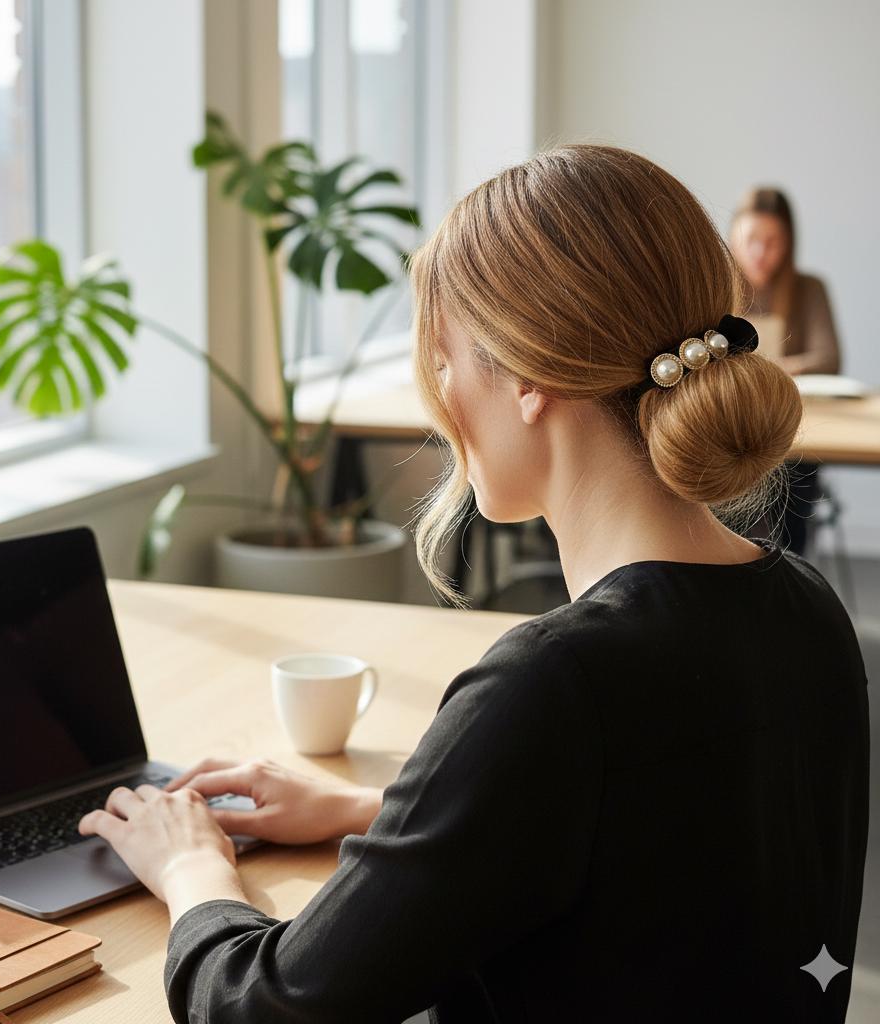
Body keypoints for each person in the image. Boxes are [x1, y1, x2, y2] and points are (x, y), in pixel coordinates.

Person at [77, 146, 870, 1022]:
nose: (440, 392)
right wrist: (382, 812)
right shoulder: (809, 608)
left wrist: (190, 864)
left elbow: (266, 1008)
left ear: (528, 379)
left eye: (446, 357)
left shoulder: (555, 684)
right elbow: (659, 843)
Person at [729, 187, 843, 554]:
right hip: (729, 424)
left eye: (773, 242)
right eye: (752, 240)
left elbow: (829, 359)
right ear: (734, 237)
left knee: (795, 474)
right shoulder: (716, 286)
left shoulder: (808, 289)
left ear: (789, 243)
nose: (761, 253)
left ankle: (791, 574)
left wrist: (762, 369)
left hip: (791, 430)